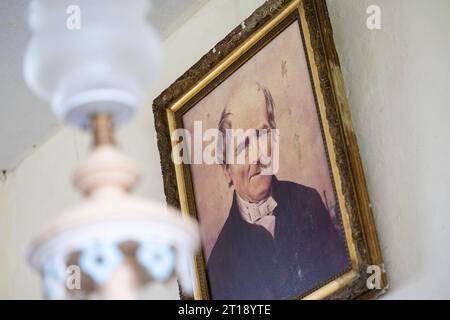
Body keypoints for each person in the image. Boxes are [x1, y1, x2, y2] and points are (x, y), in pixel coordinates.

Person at [206, 83, 349, 299]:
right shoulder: (219, 265)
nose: (258, 155)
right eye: (243, 146)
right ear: (227, 170)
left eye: (262, 134)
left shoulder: (308, 202)